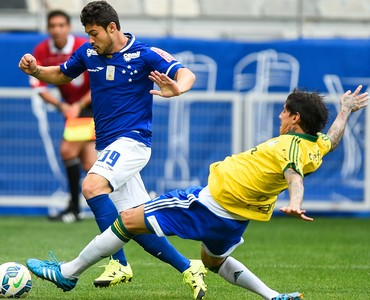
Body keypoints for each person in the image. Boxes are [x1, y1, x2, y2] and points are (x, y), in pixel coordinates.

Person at [25, 86, 368, 299]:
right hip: (234, 221)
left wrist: (295, 203)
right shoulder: (315, 146)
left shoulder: (291, 145)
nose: (279, 115)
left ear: (293, 118)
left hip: (207, 203)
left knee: (128, 219)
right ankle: (273, 296)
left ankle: (67, 274)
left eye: (283, 110)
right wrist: (344, 111)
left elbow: (294, 175)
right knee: (212, 261)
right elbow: (333, 138)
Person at [19, 1, 206, 299]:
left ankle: (115, 263)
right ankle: (189, 267)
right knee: (135, 222)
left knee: (92, 186)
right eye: (86, 33)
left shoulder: (144, 53)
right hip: (108, 145)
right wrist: (37, 70)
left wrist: (178, 88)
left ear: (112, 28)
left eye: (93, 33)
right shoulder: (89, 52)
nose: (89, 39)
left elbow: (186, 74)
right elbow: (63, 74)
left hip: (132, 142)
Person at [31, 10, 96, 223]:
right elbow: (39, 87)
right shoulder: (41, 50)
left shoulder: (82, 46)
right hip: (71, 108)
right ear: (48, 29)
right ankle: (123, 206)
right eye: (53, 25)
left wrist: (78, 104)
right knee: (89, 162)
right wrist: (62, 105)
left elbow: (99, 81)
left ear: (68, 27)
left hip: (92, 104)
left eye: (61, 25)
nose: (57, 30)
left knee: (67, 150)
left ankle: (75, 208)